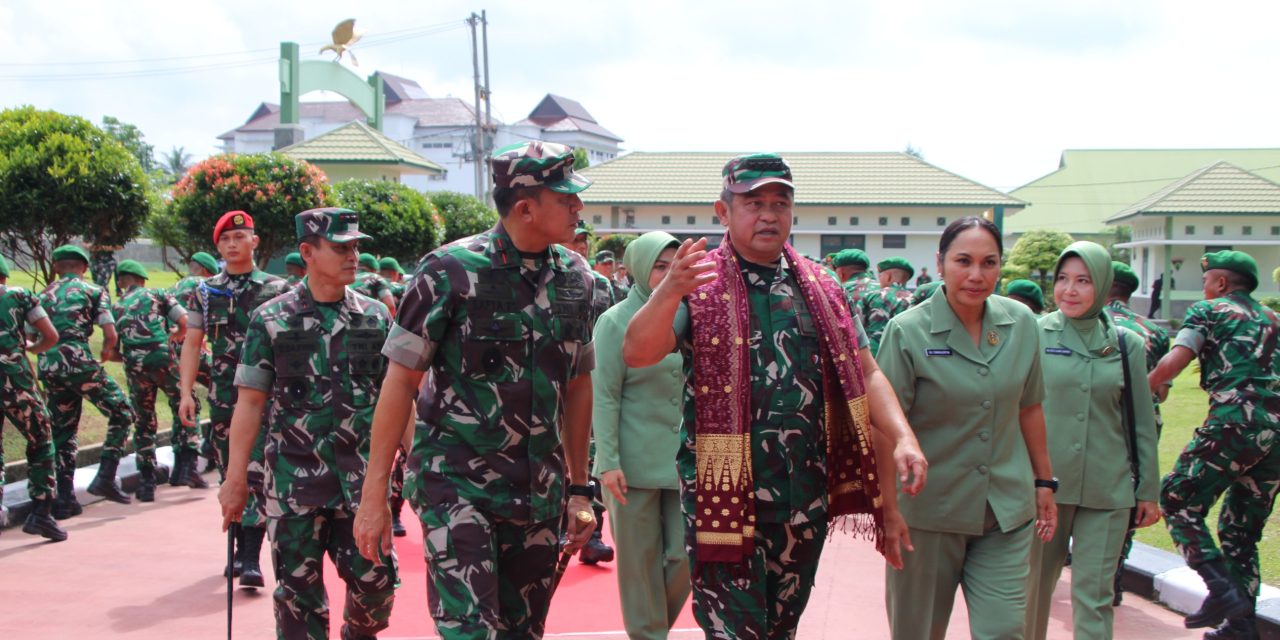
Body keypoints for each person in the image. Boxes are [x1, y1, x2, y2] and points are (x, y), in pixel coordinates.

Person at [623, 153, 926, 639]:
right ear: (723, 212)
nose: (768, 214)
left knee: (781, 631)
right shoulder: (698, 283)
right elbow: (638, 353)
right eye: (753, 202)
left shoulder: (823, 286)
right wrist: (669, 292)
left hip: (804, 499)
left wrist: (903, 438)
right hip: (723, 497)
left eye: (780, 203)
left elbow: (867, 373)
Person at [354, 140, 600, 639]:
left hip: (538, 493)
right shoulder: (448, 271)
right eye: (565, 198)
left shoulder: (578, 279)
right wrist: (374, 495)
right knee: (471, 631)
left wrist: (579, 489)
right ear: (526, 206)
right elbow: (400, 382)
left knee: (522, 632)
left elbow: (578, 385)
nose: (578, 207)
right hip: (456, 485)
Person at [219, 207, 396, 640]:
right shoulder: (271, 320)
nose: (353, 256)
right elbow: (250, 403)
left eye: (355, 247)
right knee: (299, 602)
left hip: (361, 485)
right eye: (340, 248)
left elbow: (398, 398)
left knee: (377, 588)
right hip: (294, 483)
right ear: (307, 252)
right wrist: (235, 478)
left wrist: (417, 466)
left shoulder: (376, 318)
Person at [877, 216, 1057, 640]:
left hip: (1005, 511)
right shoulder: (907, 331)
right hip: (928, 513)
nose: (977, 275)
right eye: (964, 261)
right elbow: (884, 428)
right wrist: (888, 511)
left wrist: (1045, 481)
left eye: (989, 263)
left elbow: (1029, 407)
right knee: (917, 632)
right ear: (939, 264)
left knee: (1005, 630)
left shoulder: (1021, 323)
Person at [1024, 242, 1160, 640]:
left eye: (1083, 281)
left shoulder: (1125, 344)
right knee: (1033, 590)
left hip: (1107, 488)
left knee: (1095, 595)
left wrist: (1147, 489)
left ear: (1101, 286)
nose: (1070, 290)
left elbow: (1140, 421)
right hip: (1046, 487)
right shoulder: (1034, 332)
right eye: (1063, 279)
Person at [1148, 251, 1278, 638]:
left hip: (1234, 424)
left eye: (1207, 281)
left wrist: (1142, 387)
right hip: (1277, 437)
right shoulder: (1274, 318)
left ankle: (1221, 591)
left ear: (1220, 283)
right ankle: (1241, 628)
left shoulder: (1210, 310)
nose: (1204, 288)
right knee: (1241, 531)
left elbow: (1177, 358)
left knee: (1175, 498)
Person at [178, 210, 287, 589]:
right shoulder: (205, 291)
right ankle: (240, 546)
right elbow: (193, 342)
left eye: (240, 237)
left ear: (255, 242)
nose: (232, 244)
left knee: (255, 470)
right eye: (225, 239)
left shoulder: (278, 288)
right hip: (225, 397)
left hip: (268, 396)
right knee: (230, 470)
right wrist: (185, 392)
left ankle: (249, 556)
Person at [592, 231, 690, 638]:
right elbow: (605, 396)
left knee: (686, 556)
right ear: (638, 269)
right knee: (638, 563)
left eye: (674, 266)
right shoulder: (615, 321)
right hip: (631, 464)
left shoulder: (691, 314)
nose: (667, 275)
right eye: (659, 267)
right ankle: (648, 634)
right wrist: (608, 461)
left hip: (684, 462)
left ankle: (650, 631)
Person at [38, 244, 136, 516]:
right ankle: (105, 475)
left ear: (56, 267)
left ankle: (64, 498)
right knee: (123, 412)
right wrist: (106, 350)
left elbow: (32, 334)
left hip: (49, 366)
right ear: (83, 268)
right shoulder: (94, 290)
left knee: (63, 430)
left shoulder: (42, 294)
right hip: (79, 362)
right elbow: (110, 332)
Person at [1106, 260, 1171, 605]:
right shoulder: (1155, 331)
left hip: (1100, 423)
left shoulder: (1090, 323)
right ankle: (1114, 576)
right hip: (1143, 423)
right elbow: (1162, 391)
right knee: (1129, 499)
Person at [110, 260, 201, 502]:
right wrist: (173, 339)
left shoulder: (116, 306)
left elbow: (110, 351)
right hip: (164, 359)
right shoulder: (157, 293)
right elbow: (185, 322)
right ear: (142, 280)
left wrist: (134, 358)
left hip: (134, 367)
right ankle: (187, 468)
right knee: (187, 402)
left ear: (121, 282)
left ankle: (146, 481)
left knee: (144, 420)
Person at [0, 254, 68, 541]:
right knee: (41, 440)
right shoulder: (18, 296)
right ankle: (41, 512)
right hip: (14, 380)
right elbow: (50, 336)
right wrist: (31, 348)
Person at [563, 222, 617, 564]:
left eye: (584, 240)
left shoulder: (599, 286)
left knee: (591, 456)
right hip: (548, 388)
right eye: (575, 239)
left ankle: (592, 533)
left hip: (588, 382)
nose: (580, 245)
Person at [169, 251, 217, 484]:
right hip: (192, 349)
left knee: (181, 401)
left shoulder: (173, 286)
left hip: (169, 351)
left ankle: (180, 467)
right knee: (225, 388)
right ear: (208, 271)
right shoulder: (206, 285)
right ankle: (209, 446)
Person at [861, 257, 914, 356]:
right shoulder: (914, 299)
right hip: (905, 357)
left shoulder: (874, 296)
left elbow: (861, 331)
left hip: (875, 358)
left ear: (888, 276)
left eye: (880, 276)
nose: (879, 280)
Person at [353, 253, 397, 317]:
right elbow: (390, 306)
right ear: (375, 269)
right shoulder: (375, 277)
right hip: (365, 321)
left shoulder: (346, 279)